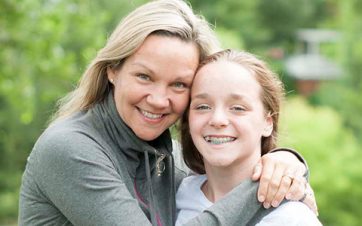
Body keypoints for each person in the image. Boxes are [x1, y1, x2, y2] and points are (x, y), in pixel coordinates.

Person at [19, 0, 315, 225]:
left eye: (178, 84)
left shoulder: (166, 158)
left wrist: (286, 163)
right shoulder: (70, 148)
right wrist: (260, 190)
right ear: (112, 69)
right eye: (144, 77)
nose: (159, 100)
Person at [176, 49, 321, 225]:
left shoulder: (290, 217)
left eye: (238, 108)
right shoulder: (177, 194)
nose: (217, 120)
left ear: (268, 122)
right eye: (203, 106)